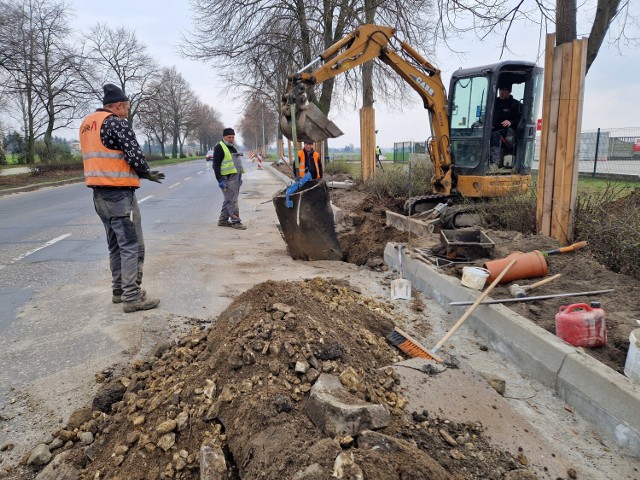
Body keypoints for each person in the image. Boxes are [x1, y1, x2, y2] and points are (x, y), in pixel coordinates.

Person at [80, 84, 164, 313]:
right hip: (119, 194)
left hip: (100, 196)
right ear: (118, 105)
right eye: (126, 108)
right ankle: (132, 296)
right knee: (132, 244)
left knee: (115, 244)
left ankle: (119, 291)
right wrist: (146, 173)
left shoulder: (88, 124)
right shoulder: (116, 122)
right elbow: (134, 153)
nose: (127, 112)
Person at [213, 128, 246, 229]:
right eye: (229, 137)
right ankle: (236, 221)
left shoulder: (232, 147)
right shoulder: (219, 147)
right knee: (232, 200)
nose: (231, 139)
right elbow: (216, 165)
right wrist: (220, 180)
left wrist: (239, 179)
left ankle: (223, 220)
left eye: (233, 137)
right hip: (227, 179)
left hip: (235, 179)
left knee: (229, 199)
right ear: (224, 137)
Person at [490, 85, 521, 170]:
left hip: (506, 130)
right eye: (500, 90)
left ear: (509, 92)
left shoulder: (515, 104)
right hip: (492, 128)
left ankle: (494, 163)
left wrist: (511, 122)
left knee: (495, 135)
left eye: (504, 90)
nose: (501, 92)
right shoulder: (494, 102)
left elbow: (521, 119)